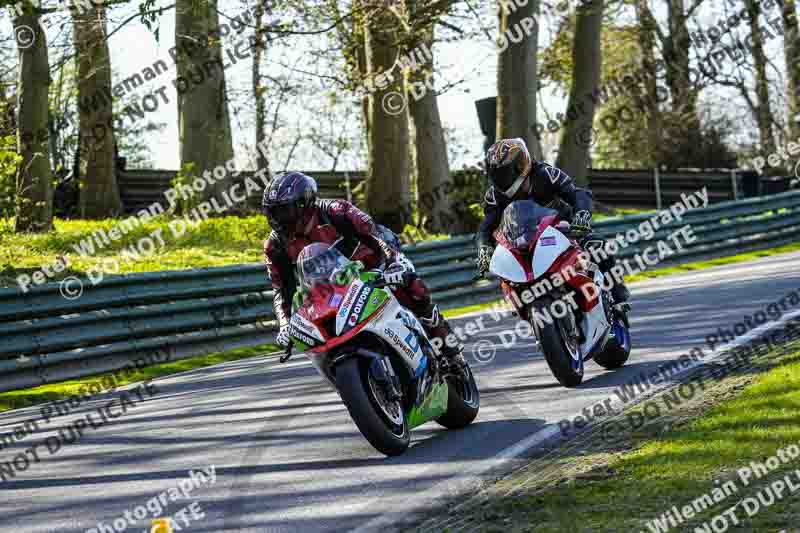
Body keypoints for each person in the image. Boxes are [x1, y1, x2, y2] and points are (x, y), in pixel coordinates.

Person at [262, 171, 466, 367]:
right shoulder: (276, 245)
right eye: (272, 212)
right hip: (331, 287)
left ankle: (450, 350)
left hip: (376, 263)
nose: (278, 218)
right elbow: (282, 289)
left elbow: (376, 236)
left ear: (304, 204)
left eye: (284, 211)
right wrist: (285, 324)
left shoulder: (335, 211)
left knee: (414, 289)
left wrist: (393, 264)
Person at [476, 138, 630, 305]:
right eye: (499, 174)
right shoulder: (494, 196)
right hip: (522, 240)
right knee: (507, 276)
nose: (504, 178)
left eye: (507, 172)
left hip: (564, 229)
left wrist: (581, 216)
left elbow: (578, 194)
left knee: (597, 245)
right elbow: (486, 228)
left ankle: (618, 293)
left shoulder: (545, 174)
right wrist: (484, 248)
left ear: (521, 164)